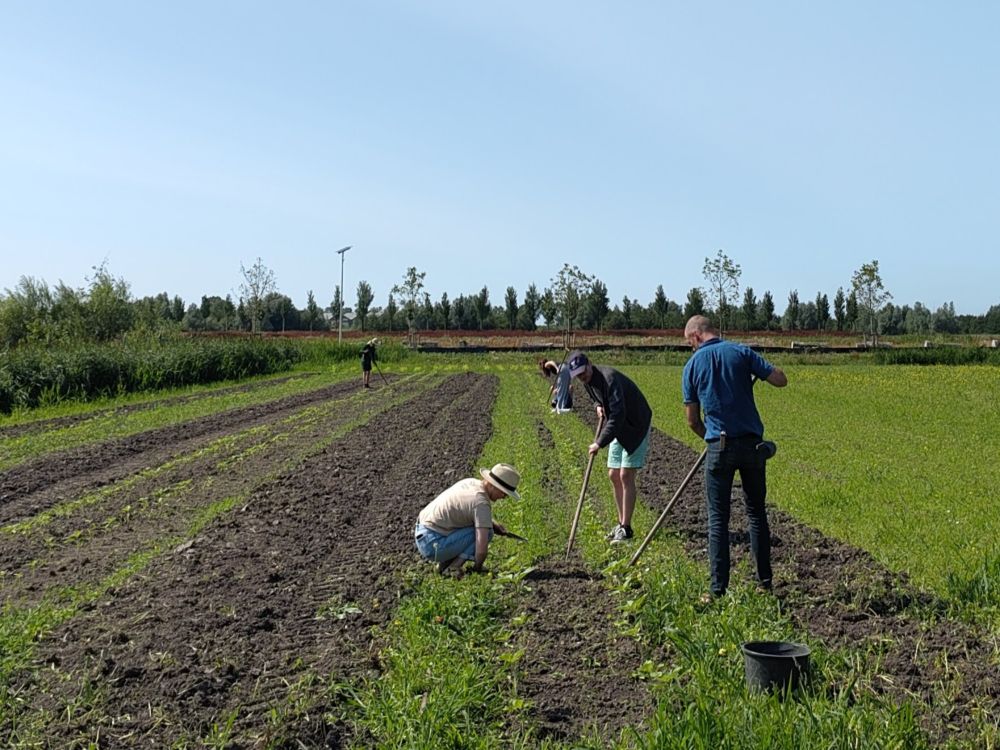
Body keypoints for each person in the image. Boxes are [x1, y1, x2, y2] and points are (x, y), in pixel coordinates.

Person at [681, 315, 787, 600]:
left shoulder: (692, 366)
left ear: (696, 336)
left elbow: (691, 420)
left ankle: (718, 591)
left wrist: (711, 438)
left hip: (719, 446)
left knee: (718, 520)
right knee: (756, 514)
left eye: (688, 343)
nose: (690, 348)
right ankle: (765, 584)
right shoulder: (741, 352)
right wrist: (760, 370)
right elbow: (780, 380)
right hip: (752, 445)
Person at [567, 351, 652, 544]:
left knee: (625, 475)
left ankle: (626, 529)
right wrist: (598, 405)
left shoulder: (609, 378)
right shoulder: (588, 382)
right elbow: (597, 397)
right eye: (579, 376)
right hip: (617, 426)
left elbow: (618, 416)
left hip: (635, 424)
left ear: (589, 364)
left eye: (584, 372)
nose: (583, 377)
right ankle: (620, 524)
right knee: (613, 475)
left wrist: (599, 443)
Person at [414, 463, 522, 576]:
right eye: (504, 493)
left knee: (481, 526)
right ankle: (453, 568)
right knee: (487, 532)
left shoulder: (471, 482)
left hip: (424, 532)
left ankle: (444, 565)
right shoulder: (481, 503)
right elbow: (481, 548)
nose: (504, 497)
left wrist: (494, 524)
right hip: (433, 545)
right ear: (493, 486)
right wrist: (478, 568)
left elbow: (471, 511)